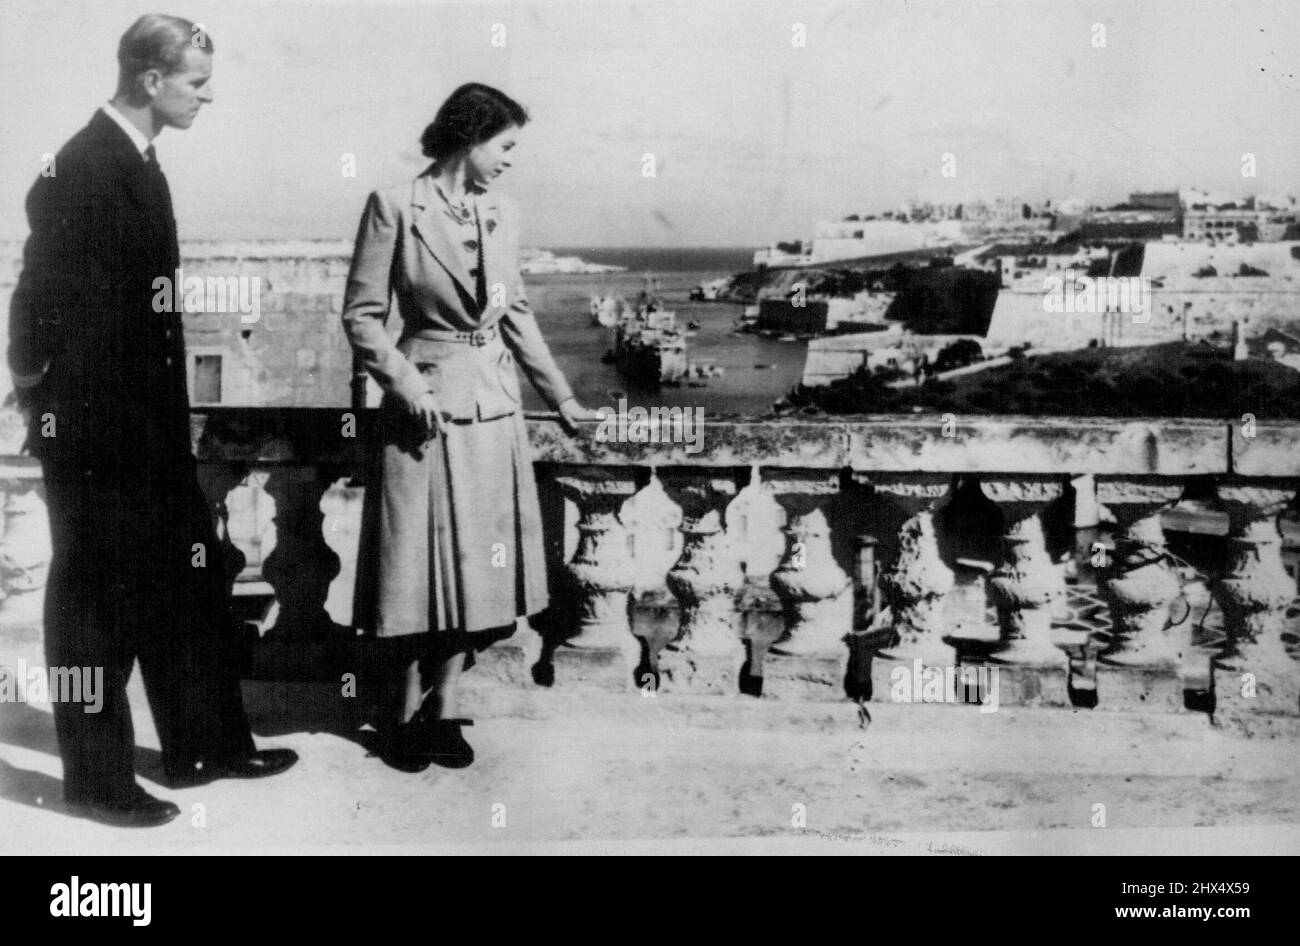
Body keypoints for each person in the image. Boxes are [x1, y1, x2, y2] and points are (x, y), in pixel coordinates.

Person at [6, 14, 297, 828]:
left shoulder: (137, 163)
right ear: (150, 80)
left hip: (149, 428)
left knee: (188, 580)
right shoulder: (78, 169)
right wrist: (46, 401)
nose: (209, 96)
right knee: (95, 608)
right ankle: (97, 780)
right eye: (197, 82)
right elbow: (34, 312)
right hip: (99, 435)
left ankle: (205, 746)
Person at [342, 83, 598, 771]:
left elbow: (514, 315)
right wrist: (405, 381)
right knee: (411, 570)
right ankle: (399, 713)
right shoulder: (393, 207)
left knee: (476, 575)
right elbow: (362, 316)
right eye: (505, 145)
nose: (511, 160)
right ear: (470, 137)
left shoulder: (502, 214)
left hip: (491, 412)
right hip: (420, 416)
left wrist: (564, 400)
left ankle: (447, 706)